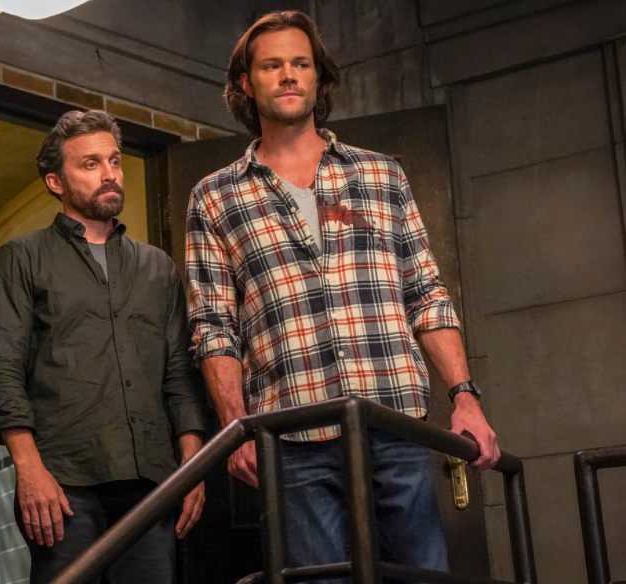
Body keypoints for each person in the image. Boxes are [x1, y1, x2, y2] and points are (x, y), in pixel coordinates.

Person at [185, 11, 500, 581]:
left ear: (318, 77)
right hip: (292, 434)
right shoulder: (215, 197)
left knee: (422, 576)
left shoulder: (381, 175)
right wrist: (235, 427)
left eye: (300, 64)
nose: (288, 75)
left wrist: (465, 398)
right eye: (272, 66)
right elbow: (213, 326)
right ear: (246, 83)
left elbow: (425, 293)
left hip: (395, 420)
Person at [0, 109, 207, 584]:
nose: (109, 174)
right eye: (90, 164)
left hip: (152, 481)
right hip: (63, 481)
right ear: (55, 182)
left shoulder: (157, 268)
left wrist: (192, 465)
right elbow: (4, 373)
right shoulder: (21, 259)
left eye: (114, 161)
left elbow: (178, 375)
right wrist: (29, 471)